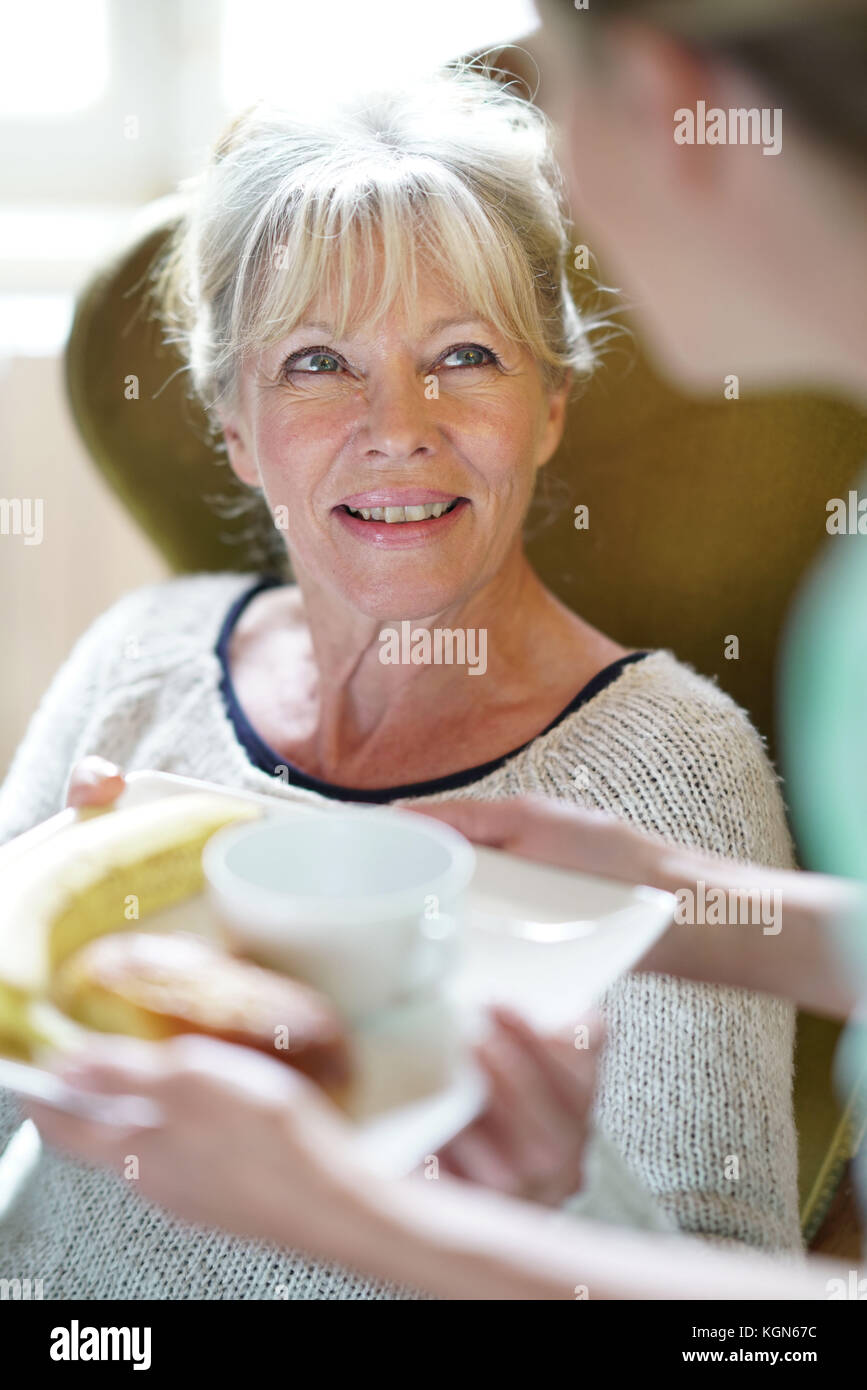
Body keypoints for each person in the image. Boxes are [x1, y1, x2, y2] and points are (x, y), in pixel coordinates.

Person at [0, 66, 803, 1300]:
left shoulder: (674, 770)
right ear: (233, 422)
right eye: (320, 362)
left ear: (548, 405)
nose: (401, 424)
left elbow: (737, 1307)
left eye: (464, 355)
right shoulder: (137, 654)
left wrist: (567, 1192)